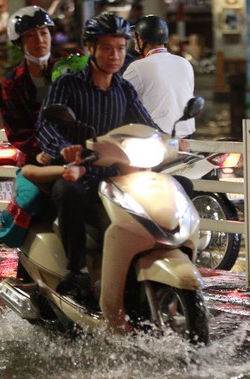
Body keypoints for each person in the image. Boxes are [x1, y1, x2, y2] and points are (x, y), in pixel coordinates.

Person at [29, 12, 159, 323]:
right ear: (90, 49)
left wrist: (170, 142)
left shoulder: (124, 90)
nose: (115, 56)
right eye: (107, 48)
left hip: (114, 178)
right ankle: (77, 271)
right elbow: (45, 125)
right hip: (79, 173)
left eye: (120, 48)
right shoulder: (68, 85)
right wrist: (63, 148)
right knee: (68, 192)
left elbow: (147, 125)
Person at [0, 6, 75, 256]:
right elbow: (15, 130)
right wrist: (40, 151)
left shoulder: (72, 69)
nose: (40, 40)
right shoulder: (12, 82)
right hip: (35, 159)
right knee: (29, 199)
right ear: (19, 43)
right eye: (31, 35)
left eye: (44, 33)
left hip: (76, 153)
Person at [123, 14, 195, 137]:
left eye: (136, 38)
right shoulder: (184, 63)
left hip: (157, 139)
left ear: (141, 40)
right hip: (188, 137)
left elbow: (120, 101)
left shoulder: (138, 67)